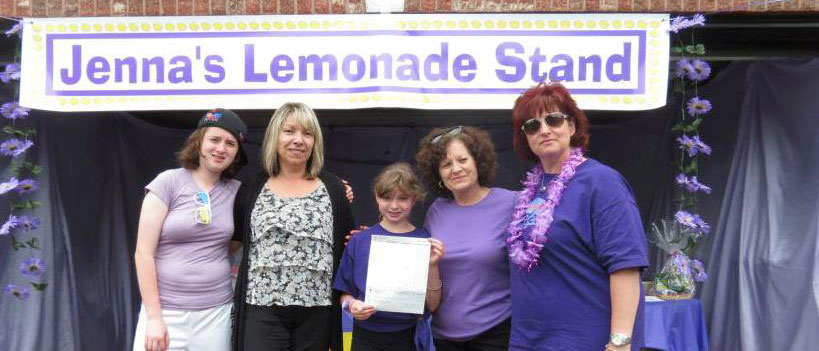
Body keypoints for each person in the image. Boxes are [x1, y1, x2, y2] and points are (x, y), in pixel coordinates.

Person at [507, 82, 648, 351]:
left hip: (585, 341)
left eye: (553, 119)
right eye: (532, 125)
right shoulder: (532, 190)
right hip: (529, 340)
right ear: (525, 136)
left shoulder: (601, 182)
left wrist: (620, 342)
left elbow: (626, 266)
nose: (544, 129)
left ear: (572, 126)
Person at [231, 102, 355, 351]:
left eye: (307, 134)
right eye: (290, 131)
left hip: (317, 313)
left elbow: (347, 246)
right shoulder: (252, 187)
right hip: (262, 309)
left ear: (315, 141)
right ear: (275, 137)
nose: (299, 140)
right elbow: (233, 240)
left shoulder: (333, 188)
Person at [133, 108, 248, 351]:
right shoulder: (167, 182)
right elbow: (143, 253)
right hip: (165, 312)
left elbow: (234, 241)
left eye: (230, 144)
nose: (221, 149)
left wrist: (337, 189)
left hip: (216, 313)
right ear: (199, 142)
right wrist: (154, 318)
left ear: (237, 153)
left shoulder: (239, 192)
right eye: (214, 140)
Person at [414, 126, 517, 351]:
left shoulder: (511, 203)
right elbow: (431, 291)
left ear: (477, 162)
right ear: (438, 173)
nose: (456, 169)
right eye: (446, 164)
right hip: (444, 337)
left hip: (496, 334)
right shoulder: (436, 211)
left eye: (462, 159)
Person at [333, 162, 445, 351]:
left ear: (414, 199)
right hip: (365, 337)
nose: (394, 205)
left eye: (402, 198)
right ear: (376, 197)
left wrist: (432, 266)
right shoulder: (359, 241)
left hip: (409, 336)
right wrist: (352, 306)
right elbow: (344, 294)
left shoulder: (425, 241)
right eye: (386, 197)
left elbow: (433, 305)